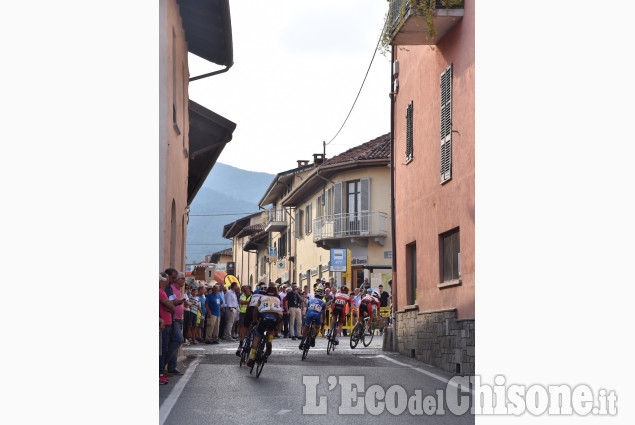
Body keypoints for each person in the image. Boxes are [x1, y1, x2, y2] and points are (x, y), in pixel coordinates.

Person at [247, 286, 282, 367]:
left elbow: (256, 309)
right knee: (271, 329)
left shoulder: (261, 297)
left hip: (264, 315)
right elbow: (280, 314)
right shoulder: (277, 299)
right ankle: (269, 341)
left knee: (257, 335)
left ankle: (252, 358)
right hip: (274, 316)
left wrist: (255, 320)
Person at [165, 272, 187, 376]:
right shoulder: (172, 288)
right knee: (178, 340)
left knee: (175, 341)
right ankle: (163, 362)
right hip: (174, 319)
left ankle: (172, 367)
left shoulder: (179, 289)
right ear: (177, 279)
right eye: (182, 278)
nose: (184, 281)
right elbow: (171, 300)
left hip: (179, 318)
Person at [159, 273, 174, 384]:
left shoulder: (163, 292)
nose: (169, 282)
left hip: (166, 323)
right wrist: (171, 306)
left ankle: (161, 373)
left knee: (164, 349)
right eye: (168, 280)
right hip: (162, 324)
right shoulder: (160, 292)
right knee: (162, 350)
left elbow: (170, 306)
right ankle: (160, 374)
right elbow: (170, 306)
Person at [235, 285, 252, 356]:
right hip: (242, 313)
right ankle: (240, 344)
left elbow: (244, 302)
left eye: (247, 288)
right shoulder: (243, 295)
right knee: (242, 327)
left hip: (249, 314)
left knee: (249, 328)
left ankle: (247, 343)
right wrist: (248, 302)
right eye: (245, 288)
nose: (245, 289)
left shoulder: (252, 296)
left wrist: (245, 302)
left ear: (250, 290)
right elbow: (240, 302)